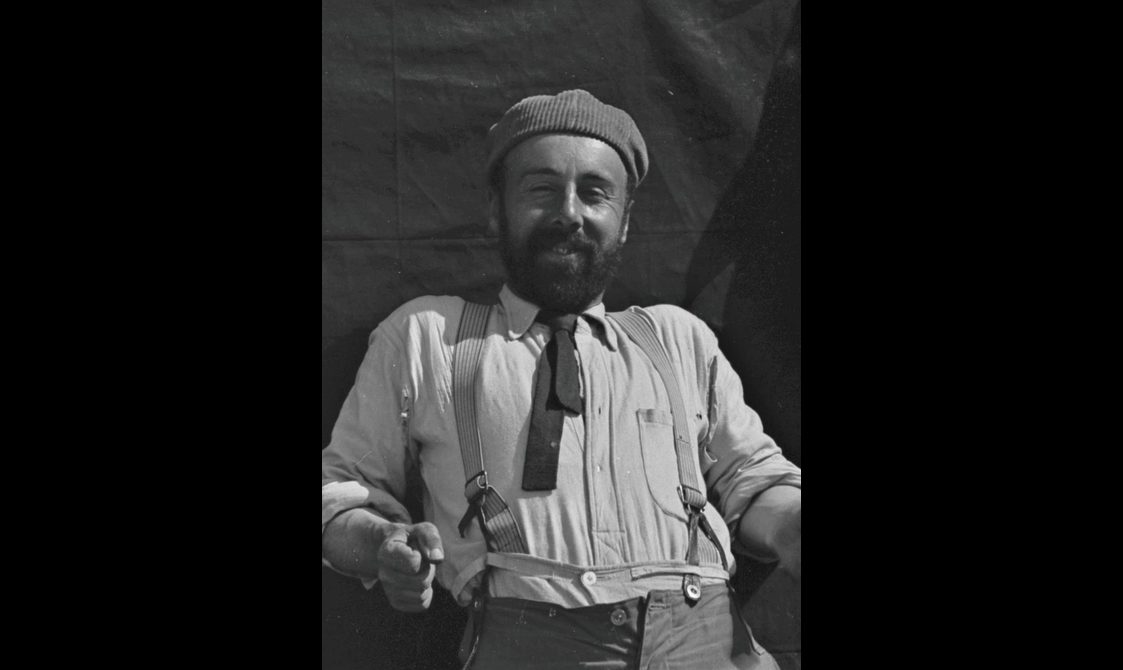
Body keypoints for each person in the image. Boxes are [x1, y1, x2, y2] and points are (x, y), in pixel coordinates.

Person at [321, 89, 801, 669]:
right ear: (496, 209)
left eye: (594, 193)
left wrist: (792, 527)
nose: (569, 212)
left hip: (709, 643)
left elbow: (755, 480)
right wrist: (380, 544)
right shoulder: (427, 338)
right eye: (542, 189)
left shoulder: (677, 338)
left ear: (624, 222)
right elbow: (336, 496)